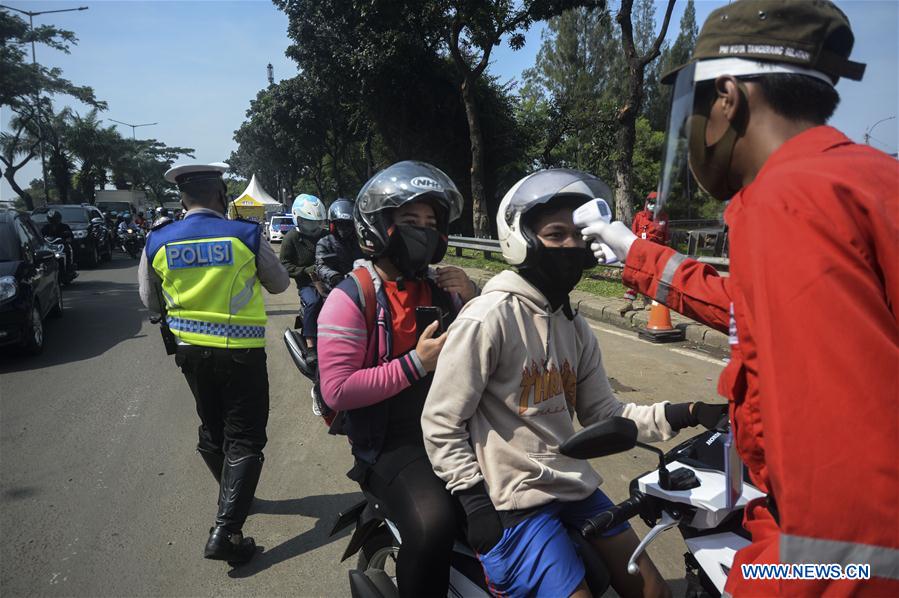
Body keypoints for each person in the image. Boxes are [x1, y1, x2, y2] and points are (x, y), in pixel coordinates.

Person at [579, 1, 898, 595]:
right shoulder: (865, 179)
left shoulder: (787, 202)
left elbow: (847, 515)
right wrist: (637, 256)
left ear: (727, 97)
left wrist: (760, 584)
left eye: (695, 106)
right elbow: (752, 312)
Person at [422, 168, 723, 598]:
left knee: (654, 590)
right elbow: (441, 422)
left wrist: (687, 412)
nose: (571, 246)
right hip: (514, 498)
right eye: (556, 234)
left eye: (578, 236)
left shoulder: (575, 325)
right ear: (522, 239)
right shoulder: (489, 318)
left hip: (571, 482)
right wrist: (475, 504)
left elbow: (606, 413)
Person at [316, 161, 478, 597]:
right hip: (391, 441)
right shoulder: (350, 297)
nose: (423, 231)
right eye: (410, 221)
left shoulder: (443, 288)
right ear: (379, 227)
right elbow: (337, 390)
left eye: (430, 222)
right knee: (433, 524)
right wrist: (415, 365)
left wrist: (474, 299)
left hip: (456, 426)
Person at [138, 162, 289, 565]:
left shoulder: (157, 240)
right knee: (246, 439)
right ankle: (227, 530)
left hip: (189, 353)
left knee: (213, 431)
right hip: (241, 354)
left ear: (181, 198)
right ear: (222, 196)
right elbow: (279, 284)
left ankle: (233, 496)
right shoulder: (244, 233)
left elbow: (150, 302)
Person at [279, 194, 327, 361]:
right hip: (307, 283)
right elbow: (284, 264)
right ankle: (310, 343)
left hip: (330, 280)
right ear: (297, 218)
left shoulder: (326, 235)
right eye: (308, 222)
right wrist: (305, 271)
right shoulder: (291, 238)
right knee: (314, 302)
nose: (313, 228)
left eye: (316, 223)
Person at [621, 192, 669, 315]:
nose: (653, 205)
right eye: (651, 203)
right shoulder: (640, 216)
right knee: (635, 275)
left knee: (649, 277)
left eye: (656, 203)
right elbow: (633, 233)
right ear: (647, 203)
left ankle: (647, 301)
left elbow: (665, 238)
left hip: (655, 253)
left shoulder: (663, 218)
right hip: (640, 250)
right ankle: (628, 302)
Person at [314, 198, 363, 294]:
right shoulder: (324, 243)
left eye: (347, 224)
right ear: (333, 225)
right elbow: (320, 266)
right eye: (340, 224)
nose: (344, 228)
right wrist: (333, 276)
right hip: (333, 287)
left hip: (359, 283)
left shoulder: (360, 242)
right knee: (314, 305)